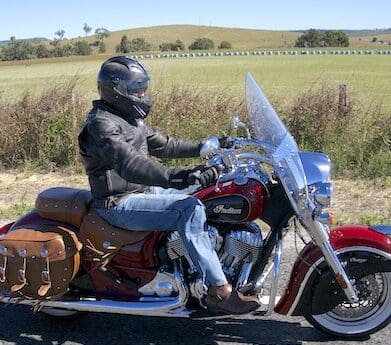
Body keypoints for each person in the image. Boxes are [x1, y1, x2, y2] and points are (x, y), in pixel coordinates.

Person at [78, 56, 259, 314]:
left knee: (211, 193)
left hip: (142, 192)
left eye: (143, 87)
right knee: (189, 209)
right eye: (135, 89)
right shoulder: (101, 125)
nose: (142, 93)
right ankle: (218, 290)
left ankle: (208, 259)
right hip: (118, 204)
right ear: (117, 90)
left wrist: (211, 145)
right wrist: (181, 176)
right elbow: (130, 165)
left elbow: (165, 145)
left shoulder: (127, 117)